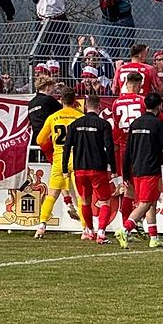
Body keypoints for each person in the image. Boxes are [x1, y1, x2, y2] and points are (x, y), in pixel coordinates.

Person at [116, 92, 163, 250]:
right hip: (150, 168)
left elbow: (128, 150)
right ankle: (125, 230)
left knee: (150, 201)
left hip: (136, 168)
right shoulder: (158, 123)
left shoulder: (135, 123)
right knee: (145, 203)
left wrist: (125, 172)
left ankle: (153, 237)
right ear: (159, 106)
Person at [63, 95, 116, 244]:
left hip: (79, 168)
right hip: (97, 168)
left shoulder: (75, 124)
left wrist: (65, 167)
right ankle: (101, 232)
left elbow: (67, 146)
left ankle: (89, 231)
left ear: (86, 106)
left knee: (85, 201)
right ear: (99, 107)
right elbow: (109, 147)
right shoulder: (103, 124)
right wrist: (113, 167)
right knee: (105, 202)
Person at [34, 90, 84, 239]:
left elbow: (40, 140)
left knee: (52, 195)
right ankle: (85, 229)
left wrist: (54, 144)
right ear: (75, 101)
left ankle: (41, 225)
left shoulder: (53, 117)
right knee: (81, 196)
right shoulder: (80, 116)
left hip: (59, 159)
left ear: (61, 100)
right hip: (76, 158)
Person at [111, 72, 146, 229]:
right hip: (140, 147)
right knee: (142, 189)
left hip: (124, 148)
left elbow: (116, 132)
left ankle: (126, 226)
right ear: (138, 85)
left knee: (128, 189)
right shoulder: (142, 101)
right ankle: (135, 225)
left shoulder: (116, 103)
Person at [27, 76, 61, 145]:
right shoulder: (49, 100)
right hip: (48, 137)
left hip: (35, 138)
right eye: (53, 87)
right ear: (47, 87)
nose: (54, 89)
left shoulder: (31, 103)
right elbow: (63, 112)